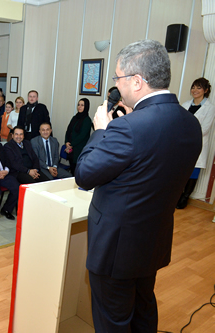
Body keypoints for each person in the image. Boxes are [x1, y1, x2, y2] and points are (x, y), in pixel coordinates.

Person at [75, 39, 202, 333]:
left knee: (113, 321)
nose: (116, 86)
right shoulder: (189, 123)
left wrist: (101, 133)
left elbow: (84, 174)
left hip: (116, 249)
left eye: (118, 78)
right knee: (143, 311)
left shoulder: (128, 128)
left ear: (136, 81)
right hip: (152, 241)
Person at [177, 78, 215, 209]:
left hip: (198, 144)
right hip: (182, 144)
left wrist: (186, 133)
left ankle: (185, 198)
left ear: (206, 90)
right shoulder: (185, 105)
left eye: (199, 88)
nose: (195, 90)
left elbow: (204, 129)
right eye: (193, 87)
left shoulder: (210, 108)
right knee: (180, 170)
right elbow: (178, 123)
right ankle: (176, 195)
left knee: (193, 172)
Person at [65, 98, 92, 175]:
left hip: (79, 149)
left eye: (82, 105)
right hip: (71, 148)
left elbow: (82, 136)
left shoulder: (87, 120)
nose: (79, 107)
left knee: (77, 170)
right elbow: (68, 131)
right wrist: (66, 142)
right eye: (78, 105)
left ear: (86, 107)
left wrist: (71, 145)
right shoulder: (75, 117)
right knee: (72, 169)